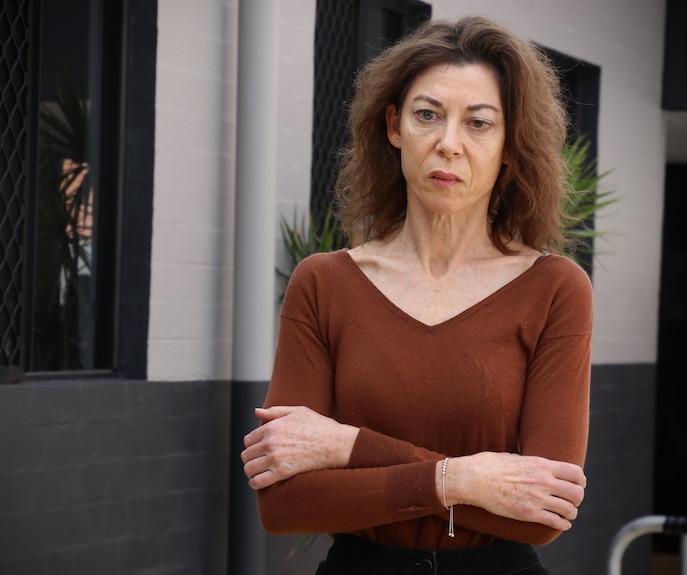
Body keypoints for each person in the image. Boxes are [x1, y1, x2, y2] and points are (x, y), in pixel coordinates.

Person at [241, 14, 593, 575]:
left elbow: (540, 514)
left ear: (508, 145)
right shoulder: (323, 284)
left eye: (479, 123)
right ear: (394, 127)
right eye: (427, 115)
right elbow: (285, 504)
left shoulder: (554, 289)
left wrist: (347, 448)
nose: (448, 144)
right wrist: (466, 480)